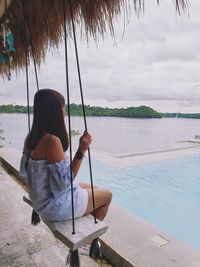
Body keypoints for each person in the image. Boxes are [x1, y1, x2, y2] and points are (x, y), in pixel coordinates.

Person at [20, 89, 112, 223]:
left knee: (95, 189)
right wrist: (81, 151)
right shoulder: (51, 141)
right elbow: (63, 184)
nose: (65, 113)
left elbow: (24, 173)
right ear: (55, 112)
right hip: (53, 207)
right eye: (63, 108)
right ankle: (89, 243)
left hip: (41, 201)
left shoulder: (31, 137)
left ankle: (81, 217)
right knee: (107, 196)